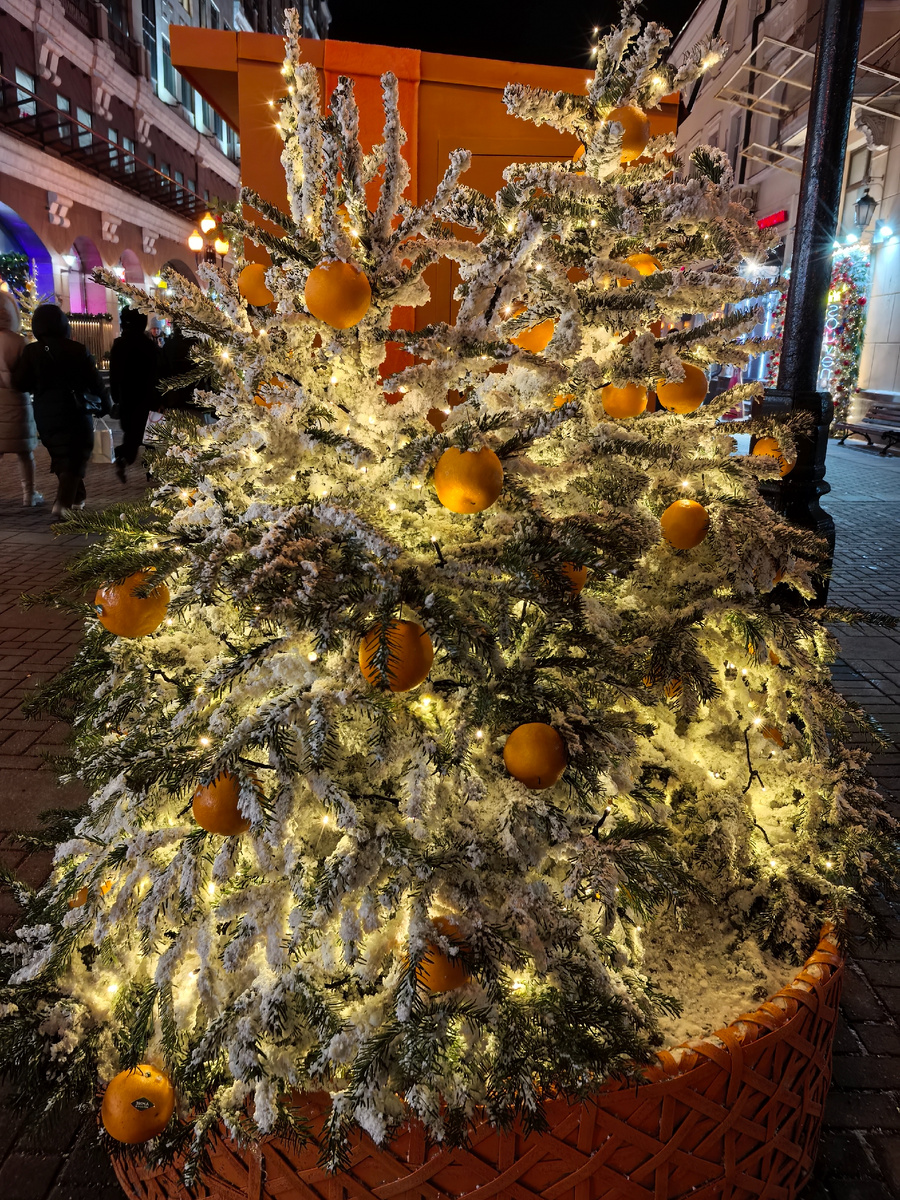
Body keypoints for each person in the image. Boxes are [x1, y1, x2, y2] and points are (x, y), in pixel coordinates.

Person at [12, 303, 109, 520]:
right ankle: (62, 504)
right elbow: (96, 382)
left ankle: (77, 498)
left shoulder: (32, 352)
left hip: (45, 414)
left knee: (61, 455)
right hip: (75, 412)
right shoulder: (77, 350)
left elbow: (20, 383)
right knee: (75, 455)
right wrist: (107, 405)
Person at [109, 307, 160, 483]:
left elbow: (114, 375)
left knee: (131, 434)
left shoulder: (119, 345)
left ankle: (124, 456)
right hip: (148, 397)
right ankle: (152, 470)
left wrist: (116, 397)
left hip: (127, 397)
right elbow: (158, 373)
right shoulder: (150, 346)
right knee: (151, 435)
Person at [0, 292, 41, 506]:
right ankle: (29, 494)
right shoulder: (19, 342)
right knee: (25, 453)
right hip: (17, 403)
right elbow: (28, 374)